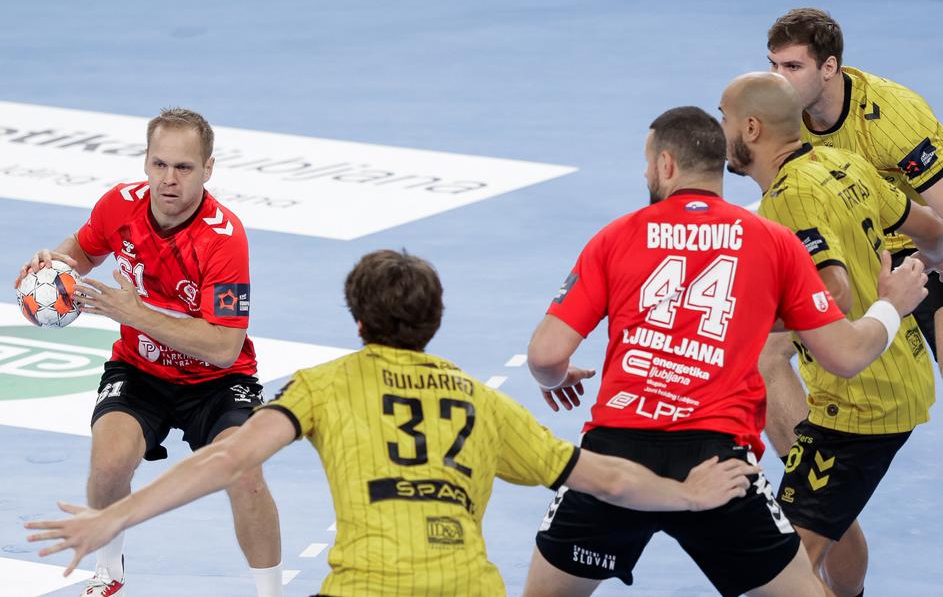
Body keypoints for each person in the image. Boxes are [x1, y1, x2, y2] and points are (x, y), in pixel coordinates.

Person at [26, 249, 762, 597]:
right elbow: (604, 478)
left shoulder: (324, 386)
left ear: (356, 320)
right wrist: (688, 494)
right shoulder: (479, 400)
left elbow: (226, 460)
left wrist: (113, 517)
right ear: (435, 322)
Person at [522, 106, 929, 597]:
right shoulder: (773, 241)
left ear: (666, 165)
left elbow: (545, 356)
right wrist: (890, 305)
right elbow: (846, 355)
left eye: (648, 163)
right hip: (720, 466)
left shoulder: (616, 236)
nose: (646, 174)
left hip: (615, 456)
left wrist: (556, 377)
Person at [13, 108, 283, 597]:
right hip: (139, 369)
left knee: (246, 475)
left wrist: (135, 314)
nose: (168, 179)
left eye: (183, 167)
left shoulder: (224, 238)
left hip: (216, 382)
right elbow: (83, 249)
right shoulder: (120, 205)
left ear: (208, 169)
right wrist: (53, 267)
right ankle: (108, 570)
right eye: (159, 164)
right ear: (145, 161)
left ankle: (270, 593)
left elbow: (225, 347)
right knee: (108, 463)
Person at [719, 72, 943, 596]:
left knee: (785, 574)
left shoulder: (788, 200)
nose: (719, 129)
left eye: (723, 118)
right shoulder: (843, 163)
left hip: (859, 403)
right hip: (898, 372)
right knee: (824, 532)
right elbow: (934, 232)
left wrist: (738, 317)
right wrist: (908, 283)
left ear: (751, 129)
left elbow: (833, 294)